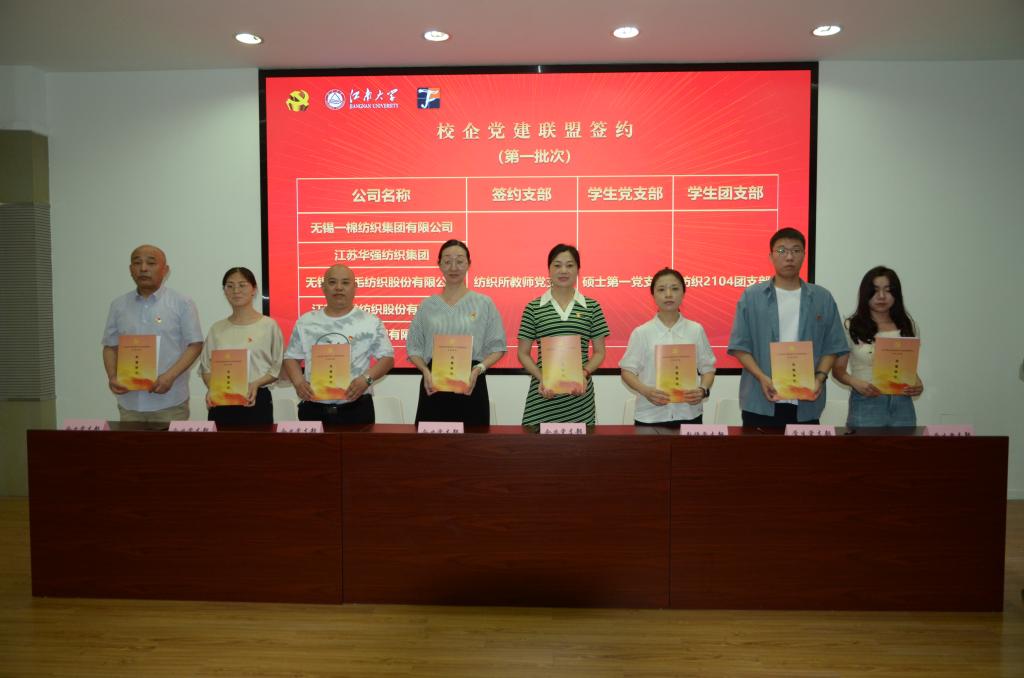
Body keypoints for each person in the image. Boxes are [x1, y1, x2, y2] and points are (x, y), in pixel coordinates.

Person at [727, 228, 848, 427]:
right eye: (782, 250)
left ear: (804, 255)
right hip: (761, 400)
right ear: (771, 256)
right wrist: (761, 377)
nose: (789, 257)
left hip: (806, 403)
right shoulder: (752, 296)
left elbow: (832, 346)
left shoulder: (822, 298)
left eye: (796, 250)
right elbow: (740, 346)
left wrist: (819, 378)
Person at [406, 240, 507, 425]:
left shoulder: (484, 303)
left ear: (469, 264)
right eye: (447, 261)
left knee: (473, 441)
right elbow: (414, 348)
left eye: (459, 261)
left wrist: (479, 369)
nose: (453, 267)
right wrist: (425, 370)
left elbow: (498, 347)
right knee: (431, 442)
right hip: (433, 385)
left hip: (471, 383)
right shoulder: (427, 305)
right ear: (439, 265)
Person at [101, 244, 203, 423]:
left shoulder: (182, 303)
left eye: (151, 263)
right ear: (130, 270)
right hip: (129, 402)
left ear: (165, 270)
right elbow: (110, 346)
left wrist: (169, 377)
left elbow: (195, 345)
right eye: (137, 263)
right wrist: (112, 377)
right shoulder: (118, 305)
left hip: (170, 402)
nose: (143, 268)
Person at [282, 264, 394, 425]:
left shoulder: (370, 321)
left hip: (357, 408)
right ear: (323, 287)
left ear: (355, 287)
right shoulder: (306, 321)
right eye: (332, 282)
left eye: (345, 283)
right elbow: (291, 357)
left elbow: (387, 358)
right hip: (314, 408)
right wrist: (299, 382)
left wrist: (366, 380)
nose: (339, 288)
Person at [517, 244, 609, 426]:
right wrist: (542, 378)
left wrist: (584, 373)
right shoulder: (533, 308)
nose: (563, 270)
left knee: (580, 444)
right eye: (557, 265)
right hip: (543, 395)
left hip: (580, 397)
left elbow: (600, 352)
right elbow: (523, 353)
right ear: (549, 270)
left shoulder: (592, 307)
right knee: (536, 443)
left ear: (578, 270)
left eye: (570, 265)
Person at [620, 268, 716, 425]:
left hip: (689, 414)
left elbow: (708, 369)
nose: (669, 294)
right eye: (661, 289)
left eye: (675, 288)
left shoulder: (695, 330)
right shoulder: (642, 332)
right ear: (653, 295)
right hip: (650, 415)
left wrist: (702, 390)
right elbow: (627, 371)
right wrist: (646, 391)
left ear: (683, 293)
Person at [831, 266, 923, 427]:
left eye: (888, 290)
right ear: (865, 294)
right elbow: (838, 371)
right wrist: (855, 383)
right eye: (875, 290)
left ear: (896, 294)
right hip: (866, 401)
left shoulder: (908, 326)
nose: (881, 296)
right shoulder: (851, 326)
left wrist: (918, 384)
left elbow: (908, 368)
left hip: (903, 404)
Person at [199, 267, 284, 426]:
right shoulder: (217, 329)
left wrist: (255, 384)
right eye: (230, 286)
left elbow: (277, 367)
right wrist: (212, 388)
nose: (236, 291)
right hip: (221, 401)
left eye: (242, 285)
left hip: (256, 399)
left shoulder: (269, 326)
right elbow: (206, 368)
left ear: (254, 289)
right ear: (225, 291)